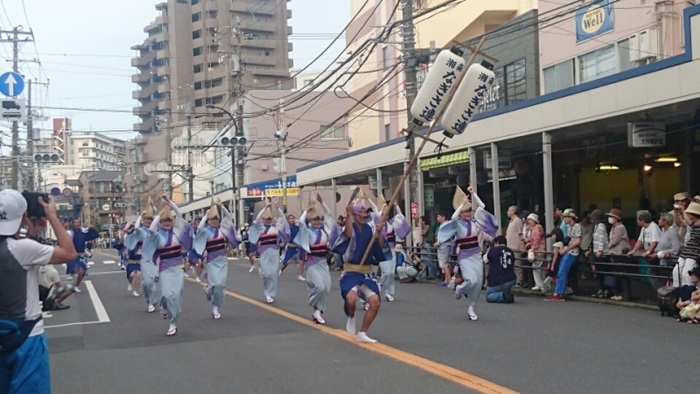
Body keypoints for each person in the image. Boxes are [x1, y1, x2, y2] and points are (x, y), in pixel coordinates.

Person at [0, 190, 77, 394]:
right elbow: (69, 252)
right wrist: (51, 215)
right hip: (27, 336)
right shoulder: (23, 249)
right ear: (24, 217)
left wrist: (31, 231)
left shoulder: (22, 246)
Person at [437, 185, 499, 320]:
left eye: (469, 210)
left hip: (477, 255)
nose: (468, 213)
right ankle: (459, 289)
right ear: (460, 213)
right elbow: (453, 217)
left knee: (478, 283)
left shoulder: (475, 221)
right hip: (464, 256)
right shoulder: (457, 224)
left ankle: (471, 307)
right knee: (471, 280)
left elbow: (482, 205)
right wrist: (461, 204)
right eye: (465, 211)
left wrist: (473, 193)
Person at [333, 193, 387, 343]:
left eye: (366, 213)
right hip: (351, 272)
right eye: (361, 213)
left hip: (366, 272)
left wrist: (380, 233)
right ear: (355, 215)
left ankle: (362, 332)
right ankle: (351, 316)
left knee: (375, 302)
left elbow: (380, 247)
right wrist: (349, 214)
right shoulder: (349, 226)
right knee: (351, 299)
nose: (364, 215)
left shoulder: (370, 229)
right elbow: (348, 234)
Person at [151, 193, 192, 336]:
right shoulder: (156, 234)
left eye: (169, 220)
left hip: (178, 267)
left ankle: (173, 323)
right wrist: (159, 215)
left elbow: (180, 214)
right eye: (164, 221)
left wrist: (169, 202)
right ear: (160, 223)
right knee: (167, 295)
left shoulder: (176, 232)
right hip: (165, 268)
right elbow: (150, 229)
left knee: (176, 295)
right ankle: (163, 306)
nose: (167, 223)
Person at [295, 194, 340, 324]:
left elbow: (329, 213)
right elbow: (301, 223)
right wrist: (306, 211)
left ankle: (318, 312)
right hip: (312, 263)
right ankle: (313, 303)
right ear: (310, 220)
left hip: (323, 263)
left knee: (326, 288)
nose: (317, 221)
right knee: (319, 288)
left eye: (318, 219)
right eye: (314, 219)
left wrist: (321, 202)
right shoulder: (307, 232)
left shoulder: (324, 230)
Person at [194, 199, 241, 320]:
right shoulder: (205, 231)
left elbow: (229, 217)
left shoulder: (222, 230)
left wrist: (222, 207)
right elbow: (199, 228)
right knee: (215, 284)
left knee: (220, 285)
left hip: (222, 260)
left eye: (216, 219)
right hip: (211, 261)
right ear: (209, 220)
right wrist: (205, 215)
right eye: (212, 219)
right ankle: (210, 291)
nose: (214, 221)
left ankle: (215, 307)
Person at [370, 195, 410, 302]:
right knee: (386, 272)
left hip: (392, 250)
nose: (384, 216)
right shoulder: (377, 224)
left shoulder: (391, 224)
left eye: (386, 214)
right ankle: (380, 286)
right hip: (382, 250)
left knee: (391, 273)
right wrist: (380, 208)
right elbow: (375, 211)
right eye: (383, 214)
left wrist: (396, 206)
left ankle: (388, 292)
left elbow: (400, 216)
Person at [249, 200, 290, 303]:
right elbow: (257, 219)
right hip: (264, 252)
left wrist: (277, 208)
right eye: (266, 219)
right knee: (266, 275)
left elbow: (283, 220)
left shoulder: (275, 228)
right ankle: (267, 290)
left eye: (269, 219)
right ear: (263, 219)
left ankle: (270, 294)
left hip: (275, 252)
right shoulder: (260, 228)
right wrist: (265, 208)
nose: (268, 220)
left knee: (273, 274)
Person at [124, 200, 160, 313]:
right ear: (143, 220)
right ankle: (150, 301)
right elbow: (137, 228)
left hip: (159, 258)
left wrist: (153, 208)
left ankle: (158, 300)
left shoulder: (157, 230)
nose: (149, 221)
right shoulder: (140, 231)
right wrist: (140, 216)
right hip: (145, 260)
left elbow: (159, 217)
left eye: (151, 219)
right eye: (146, 219)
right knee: (148, 283)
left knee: (158, 282)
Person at [545, 208, 582, 301]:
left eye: (566, 217)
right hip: (568, 251)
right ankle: (557, 292)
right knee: (560, 270)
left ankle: (559, 293)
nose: (564, 219)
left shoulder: (577, 226)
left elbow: (578, 241)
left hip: (573, 252)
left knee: (562, 271)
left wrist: (567, 248)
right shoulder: (569, 227)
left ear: (571, 217)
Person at [65, 217, 100, 293]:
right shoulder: (70, 233)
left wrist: (93, 220)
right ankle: (71, 273)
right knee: (71, 269)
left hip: (81, 255)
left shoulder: (83, 232)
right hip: (72, 255)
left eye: (78, 222)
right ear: (73, 224)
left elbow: (92, 230)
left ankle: (76, 286)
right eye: (76, 222)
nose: (77, 224)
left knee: (81, 272)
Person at [673, 201, 700, 287]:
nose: (687, 215)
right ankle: (677, 294)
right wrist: (678, 211)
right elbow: (683, 222)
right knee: (676, 272)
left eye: (689, 213)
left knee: (686, 274)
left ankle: (688, 295)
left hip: (695, 251)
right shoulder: (693, 224)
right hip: (687, 250)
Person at [484, 236, 516, 303]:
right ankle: (506, 292)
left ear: (497, 242)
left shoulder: (493, 250)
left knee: (489, 296)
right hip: (511, 279)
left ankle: (503, 296)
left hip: (497, 279)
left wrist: (488, 251)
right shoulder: (510, 251)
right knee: (504, 286)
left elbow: (485, 260)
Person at [523, 213, 546, 291]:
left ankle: (539, 284)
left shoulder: (536, 228)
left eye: (530, 220)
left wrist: (532, 248)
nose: (529, 221)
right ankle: (543, 284)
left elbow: (536, 240)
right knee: (541, 267)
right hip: (541, 250)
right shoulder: (537, 228)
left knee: (536, 267)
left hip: (538, 250)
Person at [280, 214, 305, 281]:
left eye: (293, 218)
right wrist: (282, 242)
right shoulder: (286, 228)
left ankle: (300, 275)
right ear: (288, 220)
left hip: (298, 246)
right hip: (290, 246)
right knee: (286, 262)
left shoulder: (297, 228)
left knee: (301, 261)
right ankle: (280, 270)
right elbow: (282, 234)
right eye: (290, 219)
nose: (292, 220)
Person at [432, 212, 451, 286]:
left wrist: (439, 242)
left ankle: (449, 280)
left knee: (444, 263)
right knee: (444, 263)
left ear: (443, 217)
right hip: (442, 245)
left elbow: (447, 236)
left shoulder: (446, 225)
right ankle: (446, 280)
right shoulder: (442, 225)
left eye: (439, 217)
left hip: (444, 245)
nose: (437, 218)